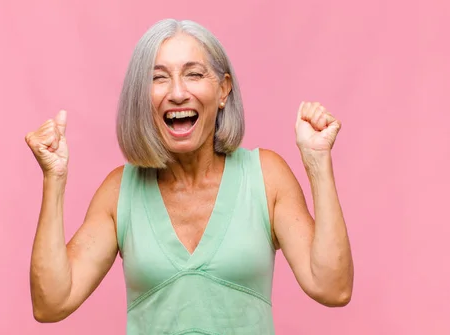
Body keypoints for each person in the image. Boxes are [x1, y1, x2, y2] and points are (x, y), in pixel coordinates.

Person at [24, 18, 354, 334]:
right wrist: (54, 178)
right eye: (158, 78)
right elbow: (52, 303)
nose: (178, 93)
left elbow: (332, 287)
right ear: (142, 96)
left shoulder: (267, 178)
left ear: (224, 90)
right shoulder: (119, 191)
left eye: (194, 74)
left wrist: (317, 162)